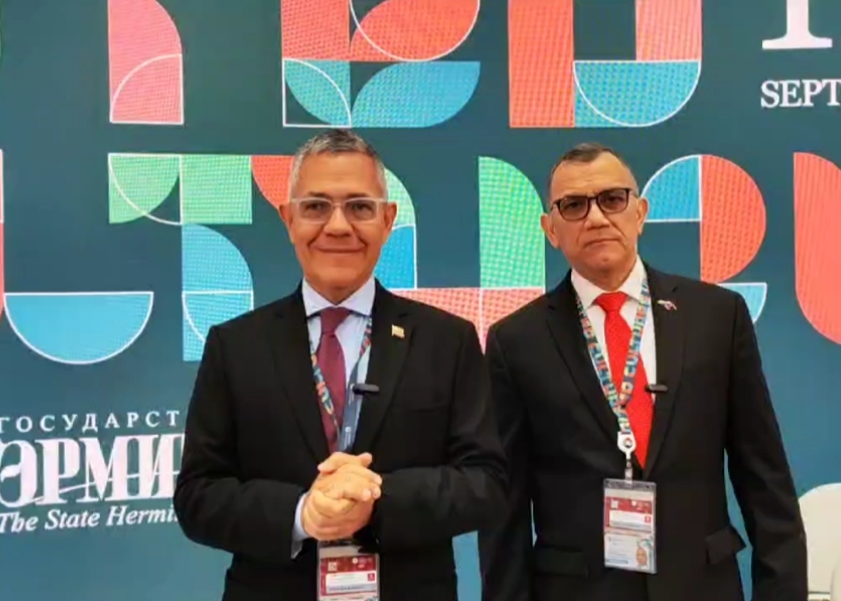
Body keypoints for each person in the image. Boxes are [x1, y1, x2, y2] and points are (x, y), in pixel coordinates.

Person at [174, 129, 507, 600]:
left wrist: (376, 502)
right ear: (288, 218)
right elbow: (197, 496)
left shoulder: (446, 340)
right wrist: (302, 513)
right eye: (315, 206)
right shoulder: (235, 346)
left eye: (359, 207)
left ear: (388, 220)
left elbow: (486, 483)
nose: (337, 226)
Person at [478, 143, 806, 601]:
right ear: (551, 229)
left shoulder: (717, 315)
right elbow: (505, 508)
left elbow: (765, 479)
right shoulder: (516, 340)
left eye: (612, 199)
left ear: (641, 213)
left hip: (701, 586)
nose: (596, 218)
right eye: (574, 206)